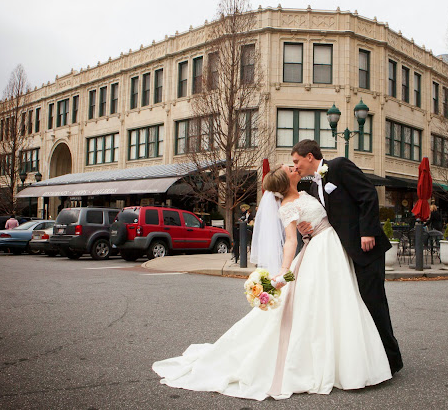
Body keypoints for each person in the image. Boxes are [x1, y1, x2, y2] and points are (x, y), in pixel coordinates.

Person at [152, 165, 391, 400]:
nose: (295, 168)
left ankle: (344, 359)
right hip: (318, 251)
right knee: (318, 305)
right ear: (286, 182)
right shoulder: (287, 207)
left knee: (339, 302)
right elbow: (290, 240)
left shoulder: (306, 192)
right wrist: (284, 273)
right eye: (290, 170)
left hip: (331, 248)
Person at [291, 139, 403, 375]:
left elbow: (368, 195)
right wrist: (306, 229)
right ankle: (368, 360)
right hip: (342, 254)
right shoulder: (312, 188)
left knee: (374, 303)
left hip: (366, 249)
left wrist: (367, 232)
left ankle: (391, 361)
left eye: (296, 161)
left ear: (309, 156)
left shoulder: (339, 166)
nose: (296, 166)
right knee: (356, 307)